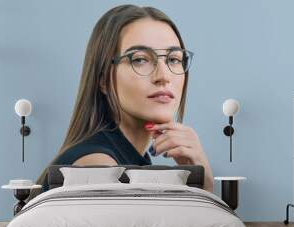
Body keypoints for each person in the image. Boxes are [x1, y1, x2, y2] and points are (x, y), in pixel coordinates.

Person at [35, 4, 214, 193]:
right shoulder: (98, 167)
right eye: (140, 59)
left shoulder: (131, 160)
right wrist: (207, 187)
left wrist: (202, 181)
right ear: (103, 79)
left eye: (173, 59)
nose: (164, 76)